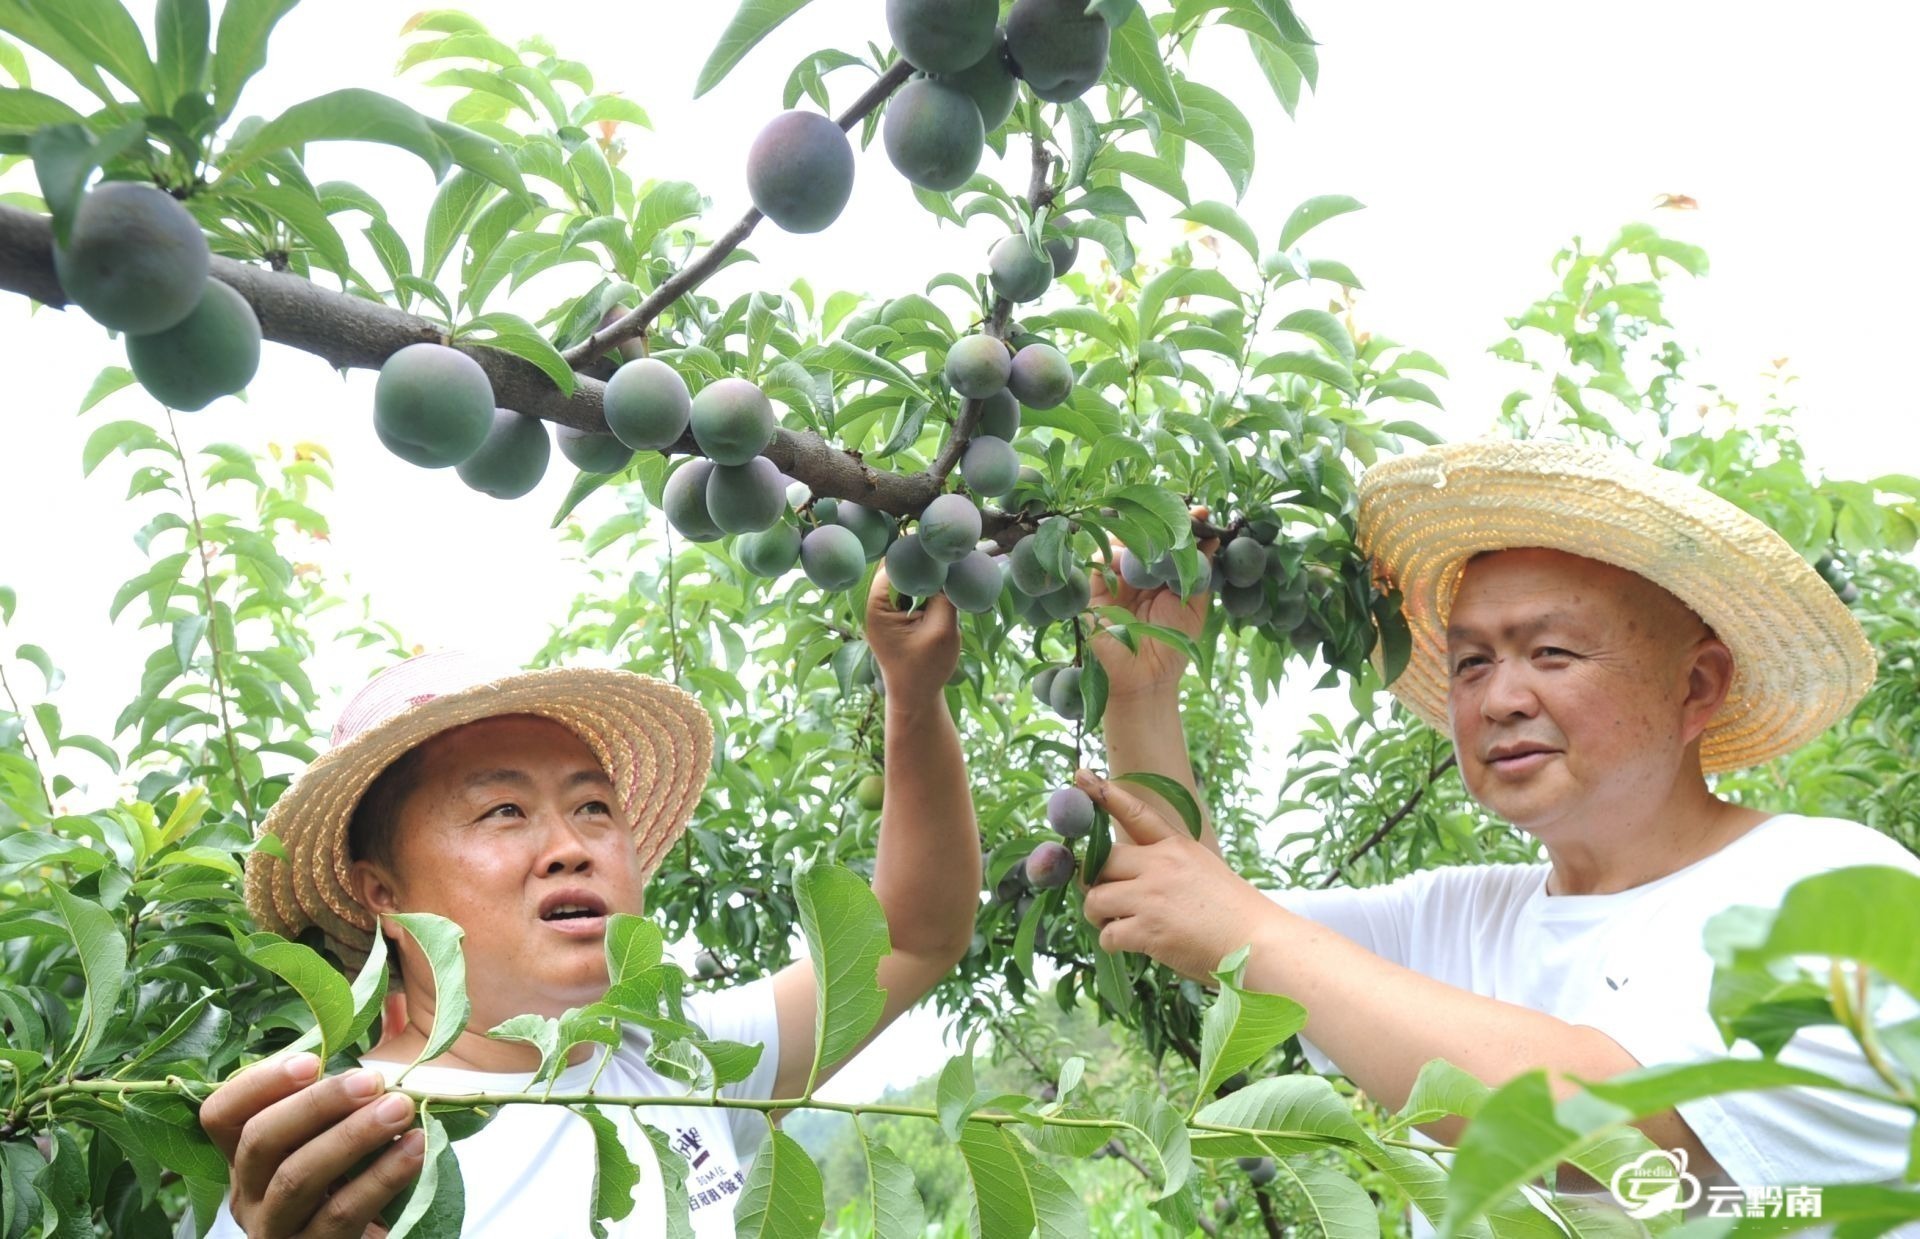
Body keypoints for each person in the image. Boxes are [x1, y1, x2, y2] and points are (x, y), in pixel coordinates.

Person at [1081, 439, 1920, 1227]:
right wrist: (1141, 694)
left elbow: (1617, 1146)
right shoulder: (1452, 918)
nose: (1498, 698)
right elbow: (1201, 909)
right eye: (1472, 661)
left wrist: (1249, 929)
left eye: (1551, 651)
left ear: (1696, 684)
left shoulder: (1834, 888)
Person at [191, 567, 978, 1237]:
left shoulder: (680, 1057)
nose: (572, 843)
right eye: (503, 809)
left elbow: (912, 935)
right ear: (382, 896)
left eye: (594, 806)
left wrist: (912, 693)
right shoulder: (328, 1157)